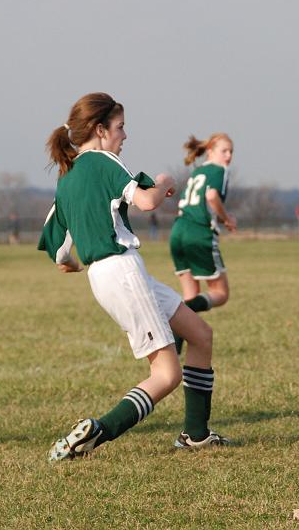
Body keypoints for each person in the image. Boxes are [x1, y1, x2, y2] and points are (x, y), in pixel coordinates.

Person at [39, 92, 229, 461]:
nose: (125, 136)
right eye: (120, 127)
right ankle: (96, 432)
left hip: (108, 274)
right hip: (122, 271)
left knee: (200, 335)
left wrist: (76, 264)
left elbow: (60, 252)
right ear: (100, 129)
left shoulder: (67, 178)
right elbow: (146, 202)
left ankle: (196, 435)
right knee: (166, 374)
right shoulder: (103, 161)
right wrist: (162, 180)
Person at [169, 134, 236, 330]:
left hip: (178, 231)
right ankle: (175, 314)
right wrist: (227, 219)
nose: (229, 156)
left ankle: (178, 338)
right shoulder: (219, 170)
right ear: (210, 152)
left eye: (231, 151)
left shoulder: (198, 172)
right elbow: (212, 196)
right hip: (198, 233)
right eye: (224, 151)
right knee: (221, 293)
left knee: (191, 294)